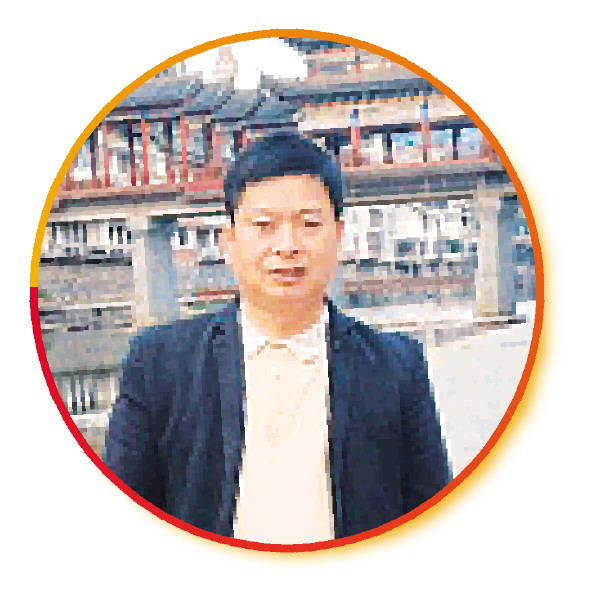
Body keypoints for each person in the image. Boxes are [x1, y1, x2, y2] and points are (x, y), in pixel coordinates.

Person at [104, 132, 451, 544]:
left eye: (309, 224)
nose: (287, 246)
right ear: (230, 240)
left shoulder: (397, 367)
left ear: (338, 235)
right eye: (264, 226)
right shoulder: (159, 365)